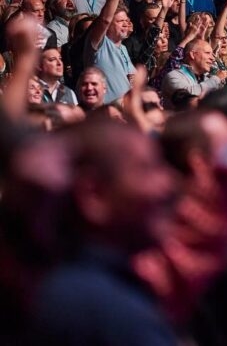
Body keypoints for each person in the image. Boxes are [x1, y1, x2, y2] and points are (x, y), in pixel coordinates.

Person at [30, 121, 178, 345]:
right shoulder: (112, 315)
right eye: (146, 169)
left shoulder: (51, 285)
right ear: (94, 194)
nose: (168, 183)